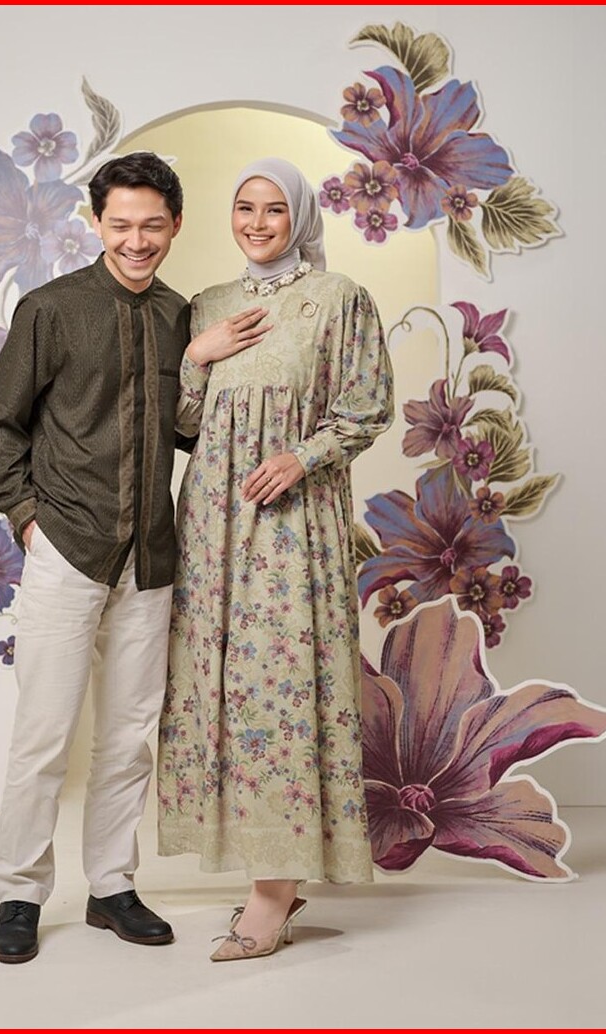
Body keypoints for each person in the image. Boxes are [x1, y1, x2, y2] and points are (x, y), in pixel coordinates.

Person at [0, 152, 269, 964]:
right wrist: (28, 519)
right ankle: (19, 893)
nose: (137, 240)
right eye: (121, 224)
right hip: (67, 549)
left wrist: (201, 360)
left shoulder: (179, 316)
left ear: (175, 226)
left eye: (152, 225)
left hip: (150, 559)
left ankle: (111, 886)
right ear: (96, 223)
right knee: (44, 736)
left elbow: (183, 431)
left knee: (129, 737)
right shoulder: (51, 309)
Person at [156, 158, 395, 961]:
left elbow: (367, 406)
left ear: (299, 217)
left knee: (281, 691)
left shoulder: (338, 299)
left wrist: (301, 458)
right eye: (244, 208)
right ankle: (264, 874)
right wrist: (197, 355)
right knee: (222, 692)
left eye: (274, 210)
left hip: (292, 526)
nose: (257, 224)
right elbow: (183, 424)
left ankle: (273, 893)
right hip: (212, 530)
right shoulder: (207, 305)